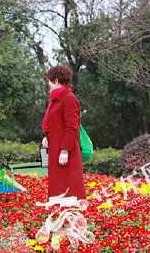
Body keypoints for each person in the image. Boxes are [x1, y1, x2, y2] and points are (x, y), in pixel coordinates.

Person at [42, 65, 86, 201]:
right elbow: (55, 123)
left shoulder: (68, 98)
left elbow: (72, 127)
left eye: (50, 80)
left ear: (56, 80)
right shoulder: (57, 98)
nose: (48, 84)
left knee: (71, 188)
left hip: (66, 150)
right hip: (56, 148)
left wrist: (65, 151)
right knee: (59, 187)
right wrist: (46, 136)